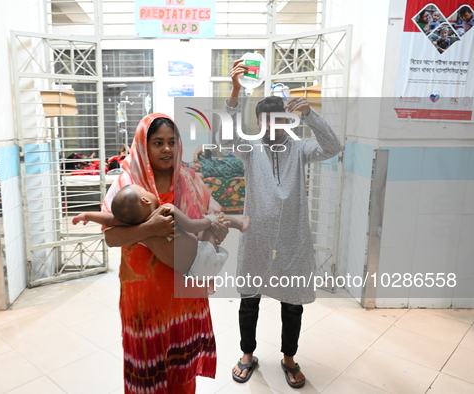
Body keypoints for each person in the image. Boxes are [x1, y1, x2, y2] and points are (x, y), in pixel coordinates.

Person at [225, 59, 341, 388]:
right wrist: (235, 92)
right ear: (259, 123)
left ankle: (289, 358)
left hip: (292, 241)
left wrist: (311, 115)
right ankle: (247, 355)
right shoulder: (248, 149)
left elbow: (333, 146)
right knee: (249, 301)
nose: (272, 126)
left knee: (292, 305)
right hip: (257, 239)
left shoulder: (302, 149)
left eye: (279, 120)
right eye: (265, 121)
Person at [101, 113, 231, 393]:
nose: (167, 149)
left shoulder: (190, 180)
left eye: (172, 142)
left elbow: (214, 216)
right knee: (146, 371)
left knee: (182, 373)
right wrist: (151, 228)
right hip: (144, 296)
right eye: (158, 142)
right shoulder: (126, 185)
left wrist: (219, 229)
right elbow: (111, 237)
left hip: (186, 292)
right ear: (143, 146)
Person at [72, 183, 249, 278]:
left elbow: (112, 219)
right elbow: (191, 226)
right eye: (145, 190)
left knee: (207, 229)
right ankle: (240, 224)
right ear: (145, 200)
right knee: (214, 219)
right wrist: (208, 221)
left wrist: (87, 215)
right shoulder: (166, 210)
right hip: (204, 259)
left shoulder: (133, 223)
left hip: (190, 272)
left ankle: (231, 227)